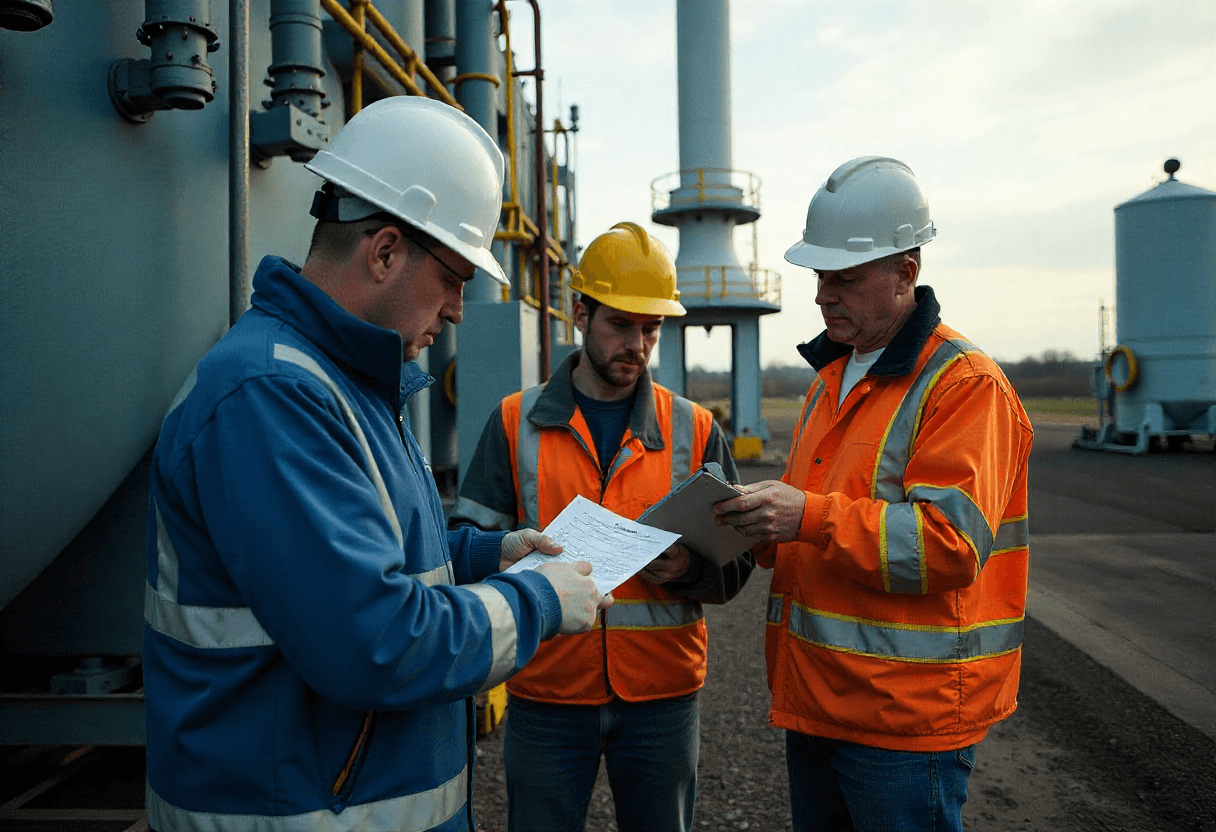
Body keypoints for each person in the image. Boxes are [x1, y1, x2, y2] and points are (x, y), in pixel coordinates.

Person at [141, 96, 610, 832]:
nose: (459, 309)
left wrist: (489, 554)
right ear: (385, 250)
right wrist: (539, 601)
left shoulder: (342, 384)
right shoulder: (271, 396)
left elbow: (370, 561)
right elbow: (375, 642)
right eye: (455, 277)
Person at [714, 157, 1033, 832]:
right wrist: (755, 525)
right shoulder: (830, 380)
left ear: (905, 274)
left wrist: (805, 515)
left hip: (904, 722)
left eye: (844, 278)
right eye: (819, 277)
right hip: (819, 701)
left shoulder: (962, 385)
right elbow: (813, 527)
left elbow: (947, 547)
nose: (824, 295)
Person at [450, 221, 755, 832]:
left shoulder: (695, 430)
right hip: (547, 689)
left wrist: (689, 569)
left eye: (651, 328)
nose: (637, 344)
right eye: (621, 324)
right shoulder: (515, 423)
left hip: (662, 697)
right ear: (580, 313)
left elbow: (738, 563)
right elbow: (467, 550)